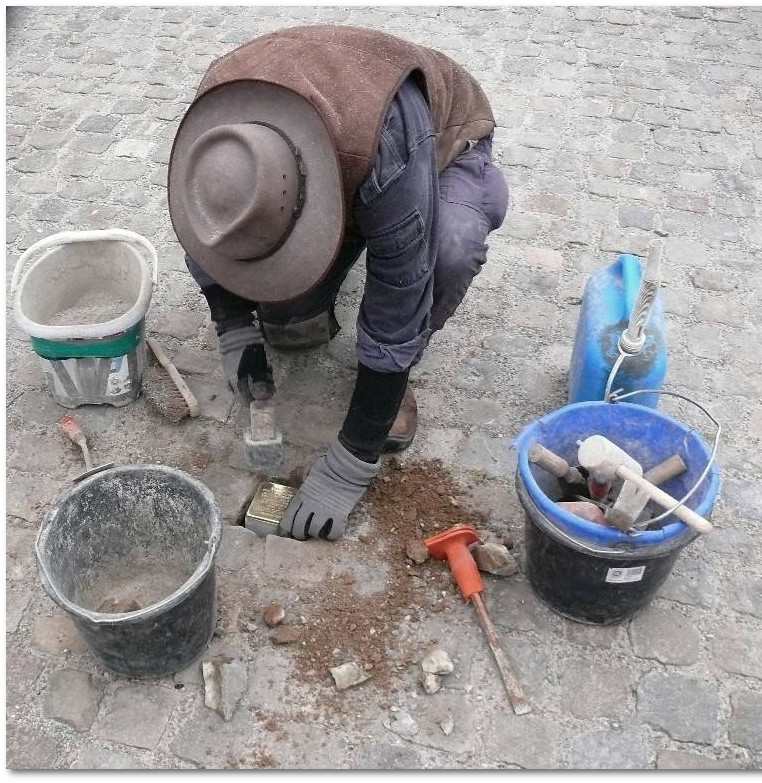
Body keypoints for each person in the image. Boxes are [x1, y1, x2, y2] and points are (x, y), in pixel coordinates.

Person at [167, 25, 508, 542]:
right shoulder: (216, 132)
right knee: (288, 320)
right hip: (334, 158)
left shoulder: (386, 149)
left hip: (437, 148)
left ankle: (396, 383)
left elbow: (400, 288)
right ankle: (332, 249)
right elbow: (208, 236)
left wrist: (353, 458)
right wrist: (234, 326)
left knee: (449, 249)